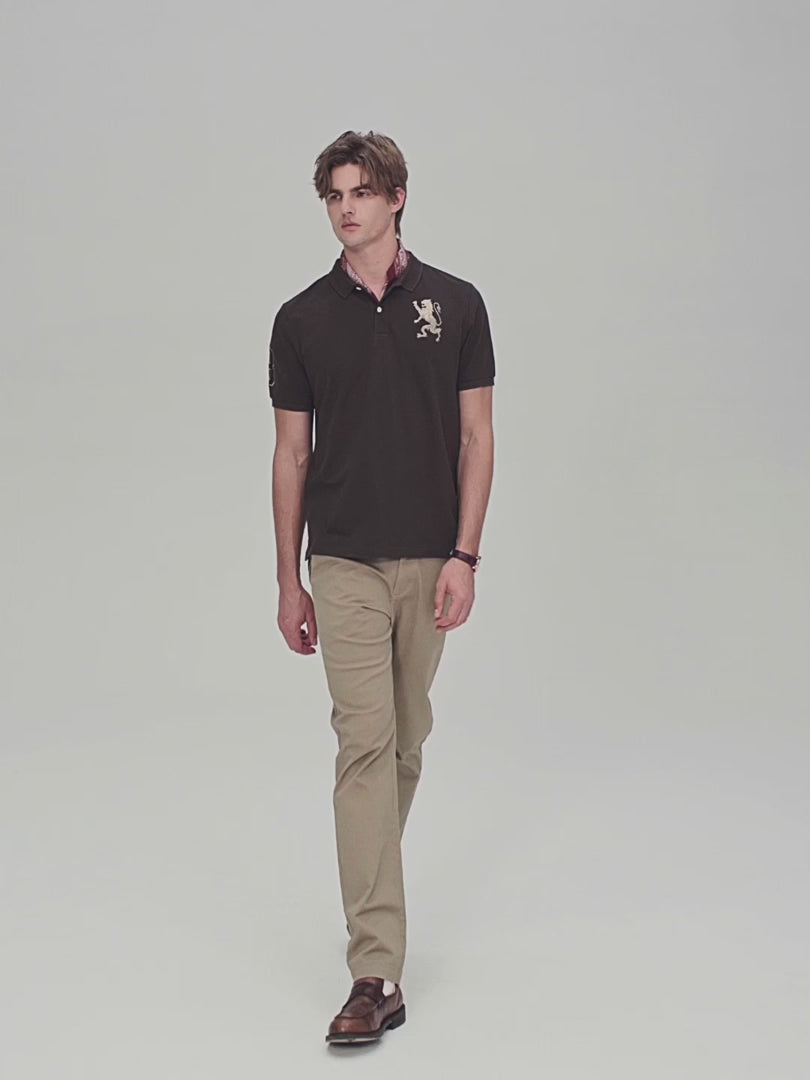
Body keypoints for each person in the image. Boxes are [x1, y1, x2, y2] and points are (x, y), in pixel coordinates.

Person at [267, 130, 496, 1045]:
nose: (346, 208)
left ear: (396, 197)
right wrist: (288, 578)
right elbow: (291, 454)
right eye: (334, 195)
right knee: (364, 746)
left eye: (362, 191)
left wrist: (465, 555)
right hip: (344, 560)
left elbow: (477, 438)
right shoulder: (301, 319)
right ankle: (377, 971)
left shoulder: (458, 304)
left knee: (404, 741)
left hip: (431, 556)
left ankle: (372, 885)